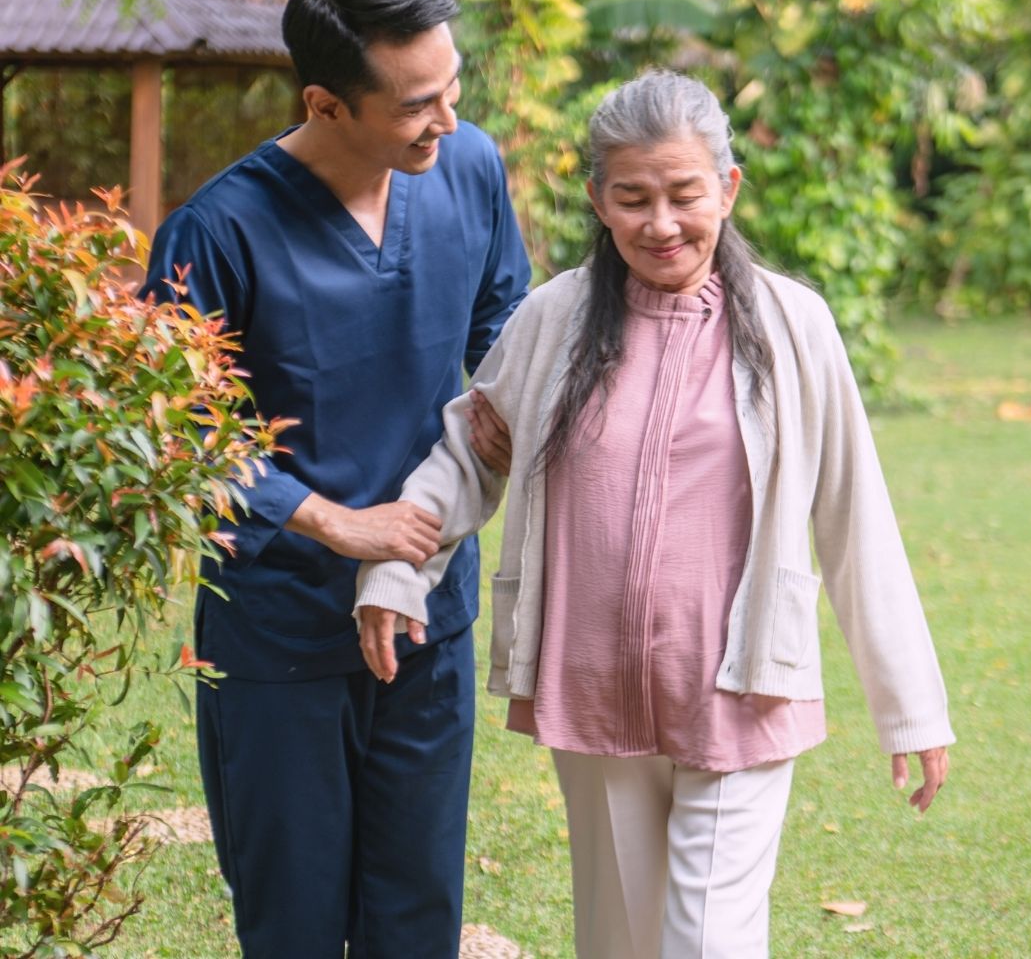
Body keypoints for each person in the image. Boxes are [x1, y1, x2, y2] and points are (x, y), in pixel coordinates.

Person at [355, 70, 955, 959]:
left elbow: (854, 512)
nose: (661, 224)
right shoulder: (552, 319)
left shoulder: (797, 327)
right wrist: (397, 569)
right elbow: (470, 457)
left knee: (707, 941)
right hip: (592, 688)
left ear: (728, 187)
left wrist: (911, 707)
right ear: (599, 199)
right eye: (633, 198)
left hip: (743, 686)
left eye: (684, 195)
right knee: (620, 940)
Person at [140, 0, 531, 959]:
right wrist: (331, 521)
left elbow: (505, 319)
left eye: (452, 88)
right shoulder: (214, 233)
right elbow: (175, 432)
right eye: (415, 105)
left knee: (416, 919)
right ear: (325, 104)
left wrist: (499, 406)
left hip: (427, 615)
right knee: (296, 925)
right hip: (279, 636)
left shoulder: (469, 170)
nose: (446, 121)